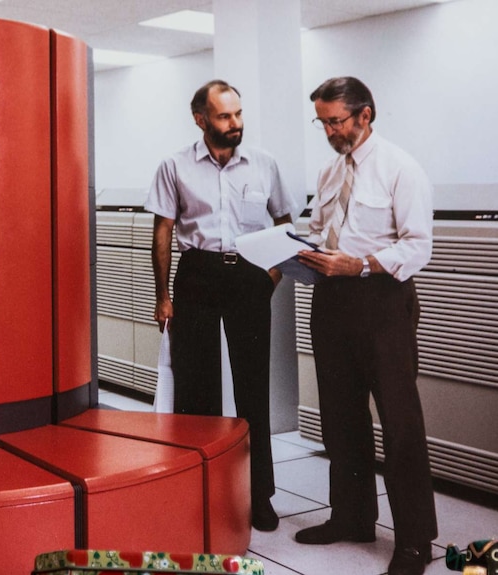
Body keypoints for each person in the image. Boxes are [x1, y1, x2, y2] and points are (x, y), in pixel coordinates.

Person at [296, 76, 437, 575]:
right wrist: (299, 248)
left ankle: (415, 541)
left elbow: (419, 245)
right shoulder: (330, 170)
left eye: (337, 121)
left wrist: (359, 264)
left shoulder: (401, 169)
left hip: (381, 301)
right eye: (323, 123)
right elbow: (319, 229)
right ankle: (352, 517)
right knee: (340, 417)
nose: (331, 132)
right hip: (332, 301)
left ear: (364, 115)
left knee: (399, 424)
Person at [144, 79, 298, 532]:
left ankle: (260, 495)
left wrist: (270, 276)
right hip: (196, 276)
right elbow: (163, 232)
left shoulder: (264, 163)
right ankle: (200, 488)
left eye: (239, 114)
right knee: (197, 391)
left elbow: (286, 221)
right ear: (201, 119)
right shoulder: (174, 166)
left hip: (249, 275)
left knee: (254, 389)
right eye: (225, 116)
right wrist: (163, 296)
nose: (236, 124)